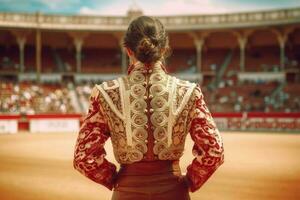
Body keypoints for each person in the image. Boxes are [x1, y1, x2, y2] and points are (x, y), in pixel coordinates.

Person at [73, 16, 224, 200]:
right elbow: (214, 151)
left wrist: (115, 179)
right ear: (164, 49)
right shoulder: (189, 92)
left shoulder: (105, 94)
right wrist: (189, 181)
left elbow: (83, 156)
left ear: (128, 51)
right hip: (174, 193)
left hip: (127, 192)